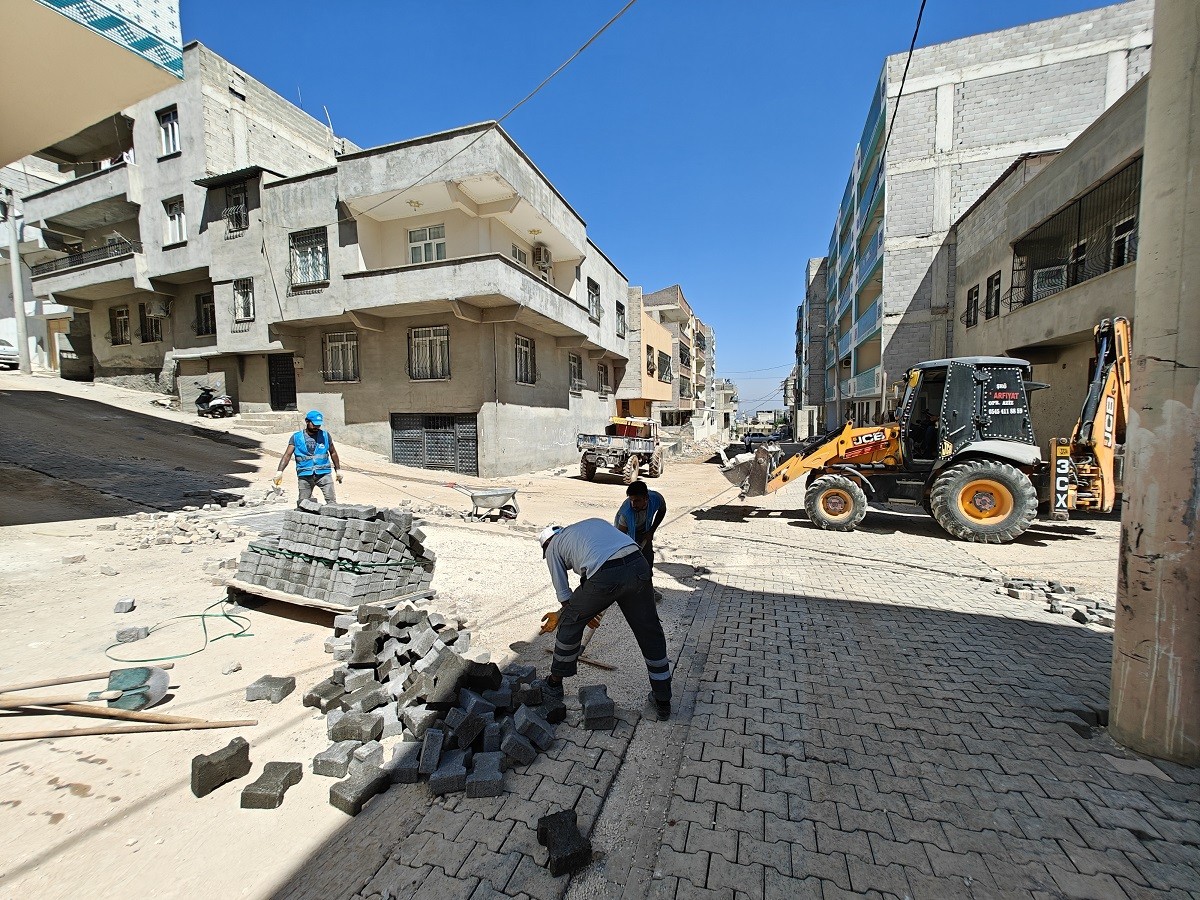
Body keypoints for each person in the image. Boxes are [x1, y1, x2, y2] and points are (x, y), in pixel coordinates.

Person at [539, 520, 672, 720]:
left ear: (546, 543)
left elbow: (565, 597)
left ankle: (554, 684)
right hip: (638, 563)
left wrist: (574, 614)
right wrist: (589, 606)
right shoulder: (588, 527)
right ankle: (663, 699)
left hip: (606, 573)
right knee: (649, 630)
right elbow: (600, 565)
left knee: (569, 622)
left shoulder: (553, 547)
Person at [274, 410, 342, 506]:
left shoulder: (325, 436)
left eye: (319, 425)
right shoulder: (296, 437)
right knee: (303, 504)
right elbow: (287, 455)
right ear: (307, 421)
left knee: (332, 503)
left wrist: (338, 470)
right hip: (305, 475)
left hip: (323, 474)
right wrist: (279, 471)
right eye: (314, 424)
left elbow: (333, 452)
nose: (316, 427)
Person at [614, 480, 666, 601]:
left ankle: (648, 589)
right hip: (626, 534)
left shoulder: (656, 498)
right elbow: (621, 538)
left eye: (637, 500)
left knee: (647, 560)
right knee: (629, 563)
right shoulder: (625, 514)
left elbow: (662, 510)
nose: (633, 504)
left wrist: (651, 531)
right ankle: (625, 592)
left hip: (645, 531)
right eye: (631, 500)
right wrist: (631, 549)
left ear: (646, 498)